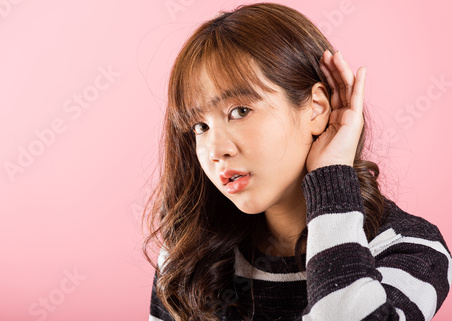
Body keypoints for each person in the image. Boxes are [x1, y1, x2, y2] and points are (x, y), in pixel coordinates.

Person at [142, 2, 452, 320]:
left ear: (315, 108)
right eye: (200, 127)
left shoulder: (409, 246)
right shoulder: (190, 257)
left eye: (240, 111)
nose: (215, 149)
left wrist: (331, 175)